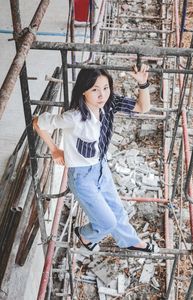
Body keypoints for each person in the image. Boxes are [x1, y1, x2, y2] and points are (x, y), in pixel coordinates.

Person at [33, 64, 158, 253]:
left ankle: (130, 240)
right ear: (84, 91)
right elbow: (38, 122)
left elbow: (143, 107)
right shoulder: (74, 117)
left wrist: (143, 84)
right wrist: (54, 149)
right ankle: (85, 234)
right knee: (107, 222)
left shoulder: (109, 104)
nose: (102, 95)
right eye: (95, 90)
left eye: (106, 88)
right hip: (82, 177)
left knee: (117, 210)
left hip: (101, 167)